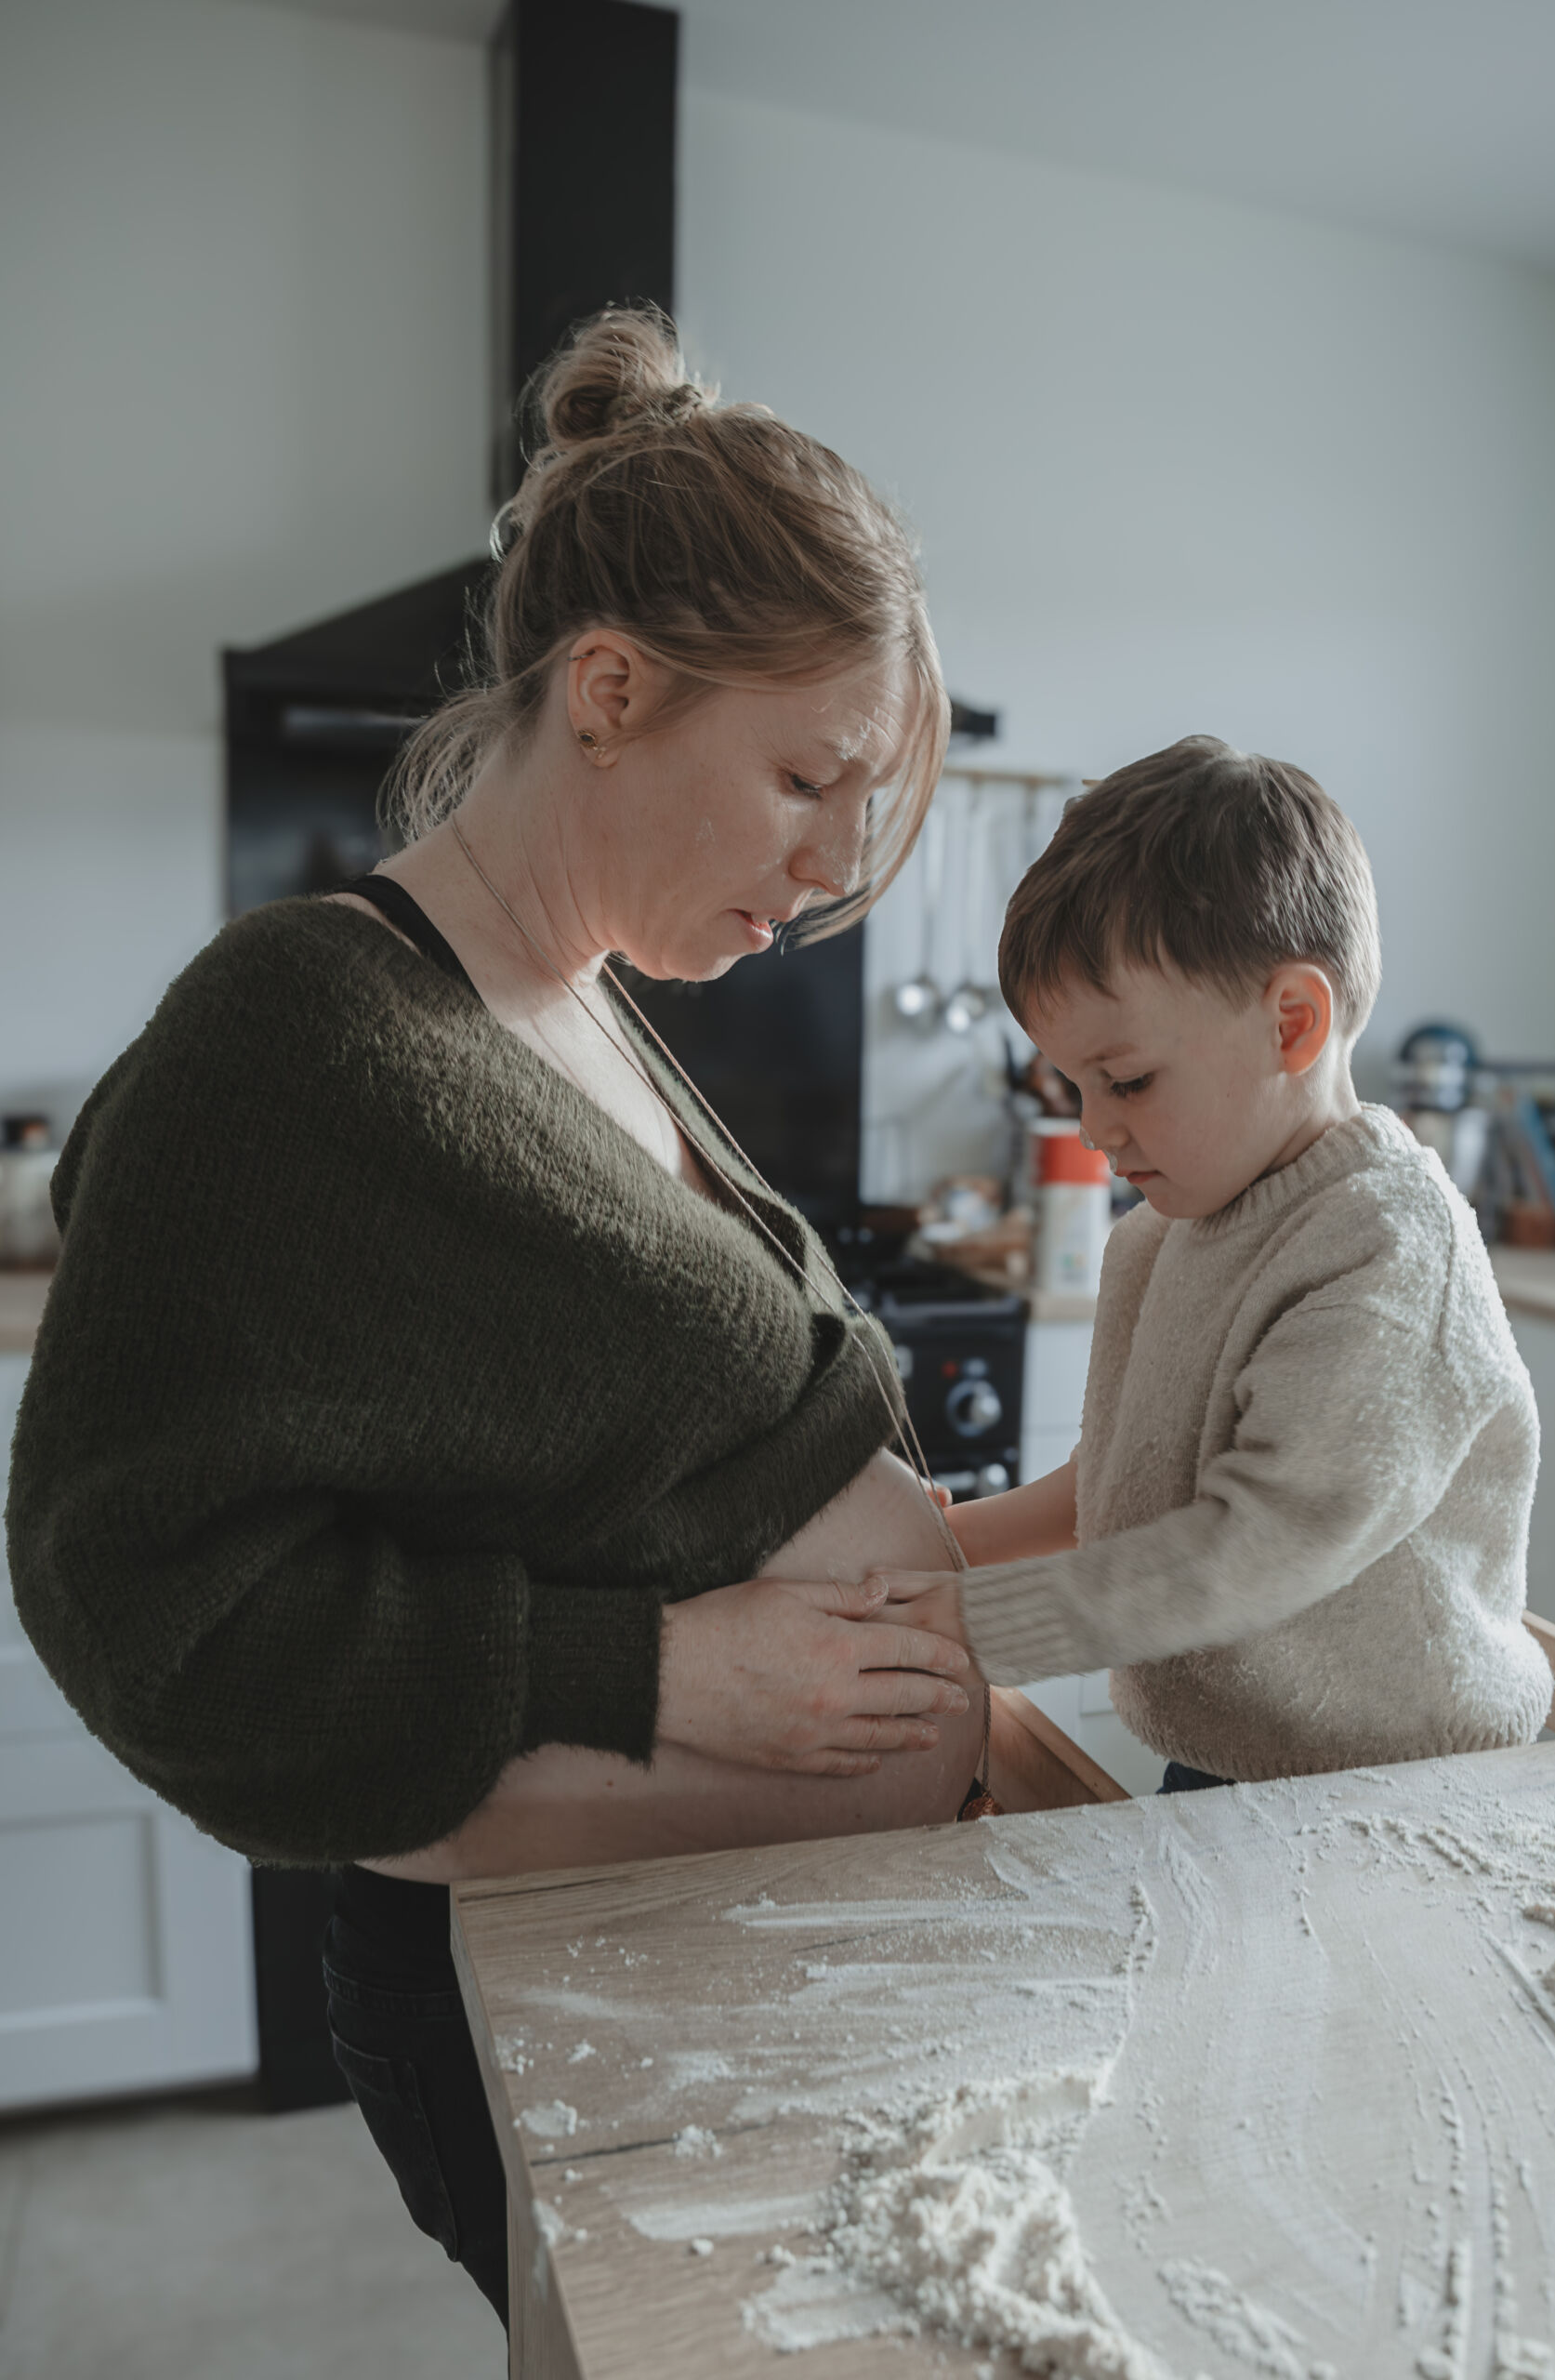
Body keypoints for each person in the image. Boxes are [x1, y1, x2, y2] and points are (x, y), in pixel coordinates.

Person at [5, 310, 988, 2328]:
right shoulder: (296, 1029)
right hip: (539, 1961)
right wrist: (642, 1667)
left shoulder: (587, 1006)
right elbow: (136, 1595)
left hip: (734, 1915)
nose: (822, 872)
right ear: (610, 690)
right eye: (805, 778)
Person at [883, 734, 1553, 1790]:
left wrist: (968, 1628)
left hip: (1399, 1786)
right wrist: (939, 1548)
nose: (1098, 1130)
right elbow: (1122, 1479)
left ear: (1293, 1021)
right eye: (1075, 1089)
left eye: (1130, 1080)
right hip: (1235, 1757)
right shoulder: (1168, 1228)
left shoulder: (1384, 1248)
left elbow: (1258, 1546)